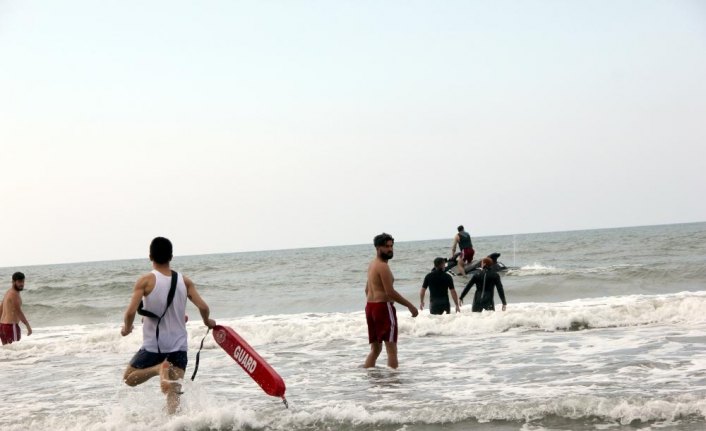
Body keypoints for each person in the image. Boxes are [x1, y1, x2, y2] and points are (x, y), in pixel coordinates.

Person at [121, 237, 216, 414]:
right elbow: (203, 307)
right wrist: (207, 322)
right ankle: (172, 425)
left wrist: (126, 328)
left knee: (128, 379)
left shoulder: (146, 281)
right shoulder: (184, 281)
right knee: (174, 393)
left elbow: (130, 312)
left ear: (150, 256)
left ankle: (157, 369)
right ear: (171, 256)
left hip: (154, 347)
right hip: (179, 346)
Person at [364, 233, 419, 369]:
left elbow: (366, 290)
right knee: (392, 350)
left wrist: (375, 303)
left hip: (370, 307)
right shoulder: (383, 266)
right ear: (378, 248)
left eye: (391, 246)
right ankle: (393, 385)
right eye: (386, 246)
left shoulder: (372, 265)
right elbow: (390, 292)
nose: (390, 249)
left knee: (375, 350)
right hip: (383, 308)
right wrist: (410, 306)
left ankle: (368, 377)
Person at [0, 272, 32, 345]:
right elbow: (18, 312)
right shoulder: (14, 294)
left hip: (2, 326)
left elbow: (1, 308)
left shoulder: (8, 292)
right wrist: (28, 325)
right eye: (19, 282)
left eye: (23, 281)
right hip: (11, 326)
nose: (22, 284)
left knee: (8, 352)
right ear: (13, 282)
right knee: (15, 350)